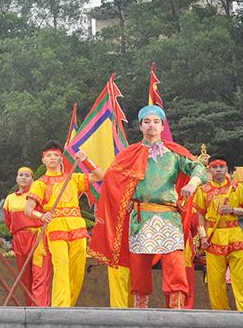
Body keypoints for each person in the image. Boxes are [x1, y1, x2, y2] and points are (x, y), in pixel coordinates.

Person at [90, 105, 208, 309]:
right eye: (147, 122)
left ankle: (176, 308)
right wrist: (122, 199)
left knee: (174, 262)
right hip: (140, 216)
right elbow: (112, 180)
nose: (151, 125)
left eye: (155, 121)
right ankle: (140, 308)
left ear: (162, 126)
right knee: (139, 264)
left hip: (168, 216)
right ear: (141, 126)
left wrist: (192, 183)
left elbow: (198, 167)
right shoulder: (130, 153)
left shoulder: (174, 153)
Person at [24, 141, 104, 307]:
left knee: (78, 268)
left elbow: (99, 176)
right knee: (61, 266)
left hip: (77, 225)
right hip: (56, 226)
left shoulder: (73, 178)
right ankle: (60, 307)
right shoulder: (40, 183)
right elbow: (28, 209)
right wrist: (41, 215)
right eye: (48, 156)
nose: (52, 158)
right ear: (43, 160)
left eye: (55, 155)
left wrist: (86, 160)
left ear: (61, 158)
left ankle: (70, 305)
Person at [195, 155, 243, 310]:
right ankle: (221, 314)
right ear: (209, 170)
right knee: (215, 281)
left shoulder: (237, 188)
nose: (218, 170)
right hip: (213, 236)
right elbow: (200, 216)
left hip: (235, 233)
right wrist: (203, 237)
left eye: (221, 166)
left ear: (226, 168)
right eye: (214, 167)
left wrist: (232, 210)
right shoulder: (203, 191)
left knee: (240, 278)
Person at [4, 166, 51, 307]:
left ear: (33, 179)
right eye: (21, 175)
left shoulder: (37, 195)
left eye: (27, 175)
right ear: (16, 178)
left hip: (37, 236)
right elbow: (8, 221)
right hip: (19, 238)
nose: (24, 177)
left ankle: (40, 307)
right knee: (25, 277)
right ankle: (29, 306)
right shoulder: (10, 198)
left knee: (40, 273)